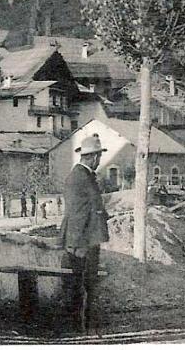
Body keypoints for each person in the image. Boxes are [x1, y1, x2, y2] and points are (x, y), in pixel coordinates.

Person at [57, 134, 111, 332]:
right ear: (94, 157)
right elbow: (83, 211)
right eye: (98, 157)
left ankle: (81, 326)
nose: (99, 161)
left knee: (82, 284)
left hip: (83, 238)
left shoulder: (81, 175)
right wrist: (79, 245)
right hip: (83, 241)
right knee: (82, 285)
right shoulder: (81, 177)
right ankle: (79, 328)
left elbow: (88, 207)